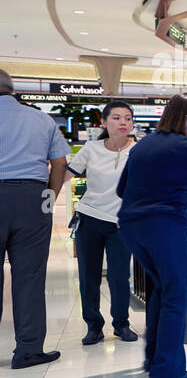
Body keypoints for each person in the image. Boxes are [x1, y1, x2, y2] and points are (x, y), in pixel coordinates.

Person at [116, 92, 187, 378]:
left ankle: (154, 359)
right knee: (175, 294)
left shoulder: (144, 144)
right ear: (184, 117)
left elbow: (122, 190)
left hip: (131, 227)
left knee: (161, 291)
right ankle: (166, 368)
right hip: (164, 226)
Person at [0, 68, 69, 369]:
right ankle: (27, 350)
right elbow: (60, 163)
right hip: (32, 197)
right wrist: (49, 198)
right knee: (29, 276)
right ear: (12, 88)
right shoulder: (41, 119)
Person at [66, 100, 139, 345]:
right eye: (116, 117)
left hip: (122, 224)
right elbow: (68, 174)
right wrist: (45, 196)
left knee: (119, 276)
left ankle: (121, 324)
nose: (123, 122)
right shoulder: (91, 148)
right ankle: (93, 326)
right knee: (89, 276)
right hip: (89, 219)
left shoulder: (138, 150)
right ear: (104, 122)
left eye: (127, 118)